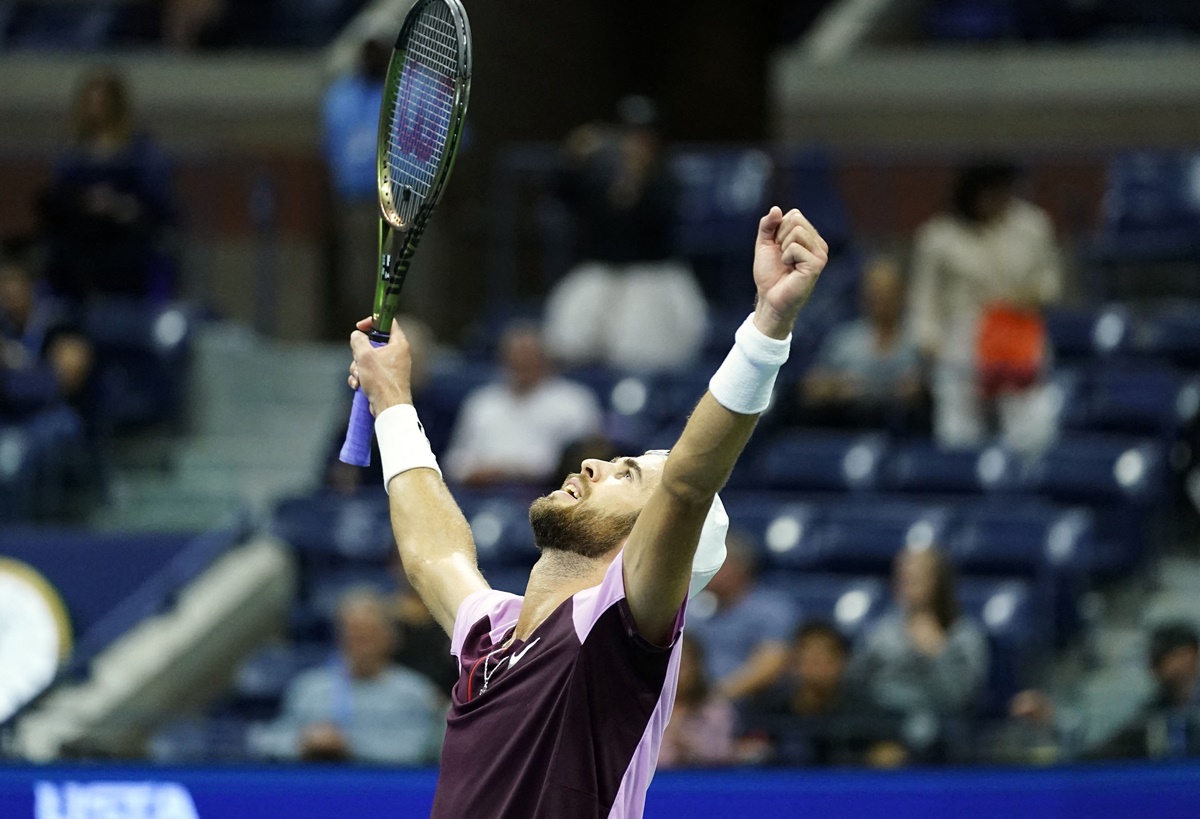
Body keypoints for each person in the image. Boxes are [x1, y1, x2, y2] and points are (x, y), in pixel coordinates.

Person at [347, 205, 827, 816]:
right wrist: (391, 397)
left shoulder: (615, 634)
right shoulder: (494, 634)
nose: (594, 466)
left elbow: (685, 485)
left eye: (626, 475)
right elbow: (432, 552)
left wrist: (768, 327)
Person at [542, 96, 708, 373]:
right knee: (568, 338)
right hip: (602, 272)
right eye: (630, 134)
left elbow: (663, 219)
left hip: (652, 276)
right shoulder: (599, 173)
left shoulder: (667, 178)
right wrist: (571, 160)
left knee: (642, 350)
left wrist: (637, 182)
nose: (636, 142)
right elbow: (562, 196)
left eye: (644, 134)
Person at [909, 161, 1063, 455]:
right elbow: (924, 300)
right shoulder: (938, 237)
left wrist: (1026, 299)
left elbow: (1050, 284)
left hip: (1017, 337)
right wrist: (928, 343)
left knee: (1030, 434)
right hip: (961, 342)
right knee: (959, 435)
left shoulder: (1032, 226)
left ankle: (1028, 492)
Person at [248, 589, 445, 765]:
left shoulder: (414, 692)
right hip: (316, 790)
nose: (360, 646)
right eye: (353, 635)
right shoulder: (310, 688)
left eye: (368, 636)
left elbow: (418, 750)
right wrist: (305, 742)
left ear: (391, 638)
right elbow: (272, 741)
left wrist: (348, 745)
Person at [39, 68, 175, 303]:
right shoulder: (73, 152)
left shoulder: (140, 151)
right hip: (80, 234)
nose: (95, 108)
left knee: (128, 259)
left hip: (123, 237)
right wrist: (86, 201)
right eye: (90, 101)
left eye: (102, 101)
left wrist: (119, 206)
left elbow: (157, 202)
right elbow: (59, 195)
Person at [850, 544, 989, 758]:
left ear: (939, 582)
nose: (906, 584)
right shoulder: (880, 632)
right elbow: (857, 683)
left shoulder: (964, 635)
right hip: (883, 724)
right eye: (902, 577)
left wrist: (936, 653)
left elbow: (960, 698)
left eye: (916, 577)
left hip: (943, 729)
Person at [1010, 621, 1200, 761]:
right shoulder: (1153, 711)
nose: (1156, 667)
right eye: (1154, 660)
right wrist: (1053, 721)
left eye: (1164, 657)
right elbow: (1105, 751)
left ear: (1190, 655)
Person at [443, 321, 603, 487]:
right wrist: (473, 471)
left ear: (544, 358)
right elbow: (455, 460)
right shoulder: (482, 401)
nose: (522, 364)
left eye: (529, 357)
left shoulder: (573, 401)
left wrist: (513, 470)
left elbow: (584, 462)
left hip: (545, 493)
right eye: (515, 358)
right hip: (481, 491)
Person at [742, 620, 903, 767]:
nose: (817, 665)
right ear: (794, 662)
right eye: (809, 656)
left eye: (826, 657)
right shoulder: (769, 708)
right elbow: (744, 747)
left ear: (843, 661)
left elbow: (891, 748)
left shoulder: (865, 710)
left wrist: (881, 754)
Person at [796, 254, 924, 430]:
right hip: (849, 427)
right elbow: (812, 388)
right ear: (865, 297)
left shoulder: (918, 341)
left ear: (903, 295)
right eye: (876, 294)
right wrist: (837, 387)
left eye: (889, 293)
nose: (882, 301)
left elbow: (931, 388)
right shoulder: (845, 340)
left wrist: (920, 391)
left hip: (906, 433)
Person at [686, 531, 799, 701]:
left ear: (739, 567)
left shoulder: (771, 609)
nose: (703, 570)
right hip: (694, 702)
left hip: (749, 705)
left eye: (712, 563)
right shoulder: (693, 608)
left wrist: (715, 696)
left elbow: (771, 664)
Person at [0, 237, 93, 416]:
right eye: (4, 295)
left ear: (30, 288)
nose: (9, 302)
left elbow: (69, 381)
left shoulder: (59, 320)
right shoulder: (5, 328)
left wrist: (12, 367)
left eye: (13, 293)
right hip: (18, 416)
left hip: (62, 414)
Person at [658, 636, 737, 769]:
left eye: (682, 667)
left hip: (702, 783)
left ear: (697, 668)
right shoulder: (644, 708)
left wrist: (686, 744)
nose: (675, 674)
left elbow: (720, 755)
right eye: (669, 666)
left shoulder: (715, 709)